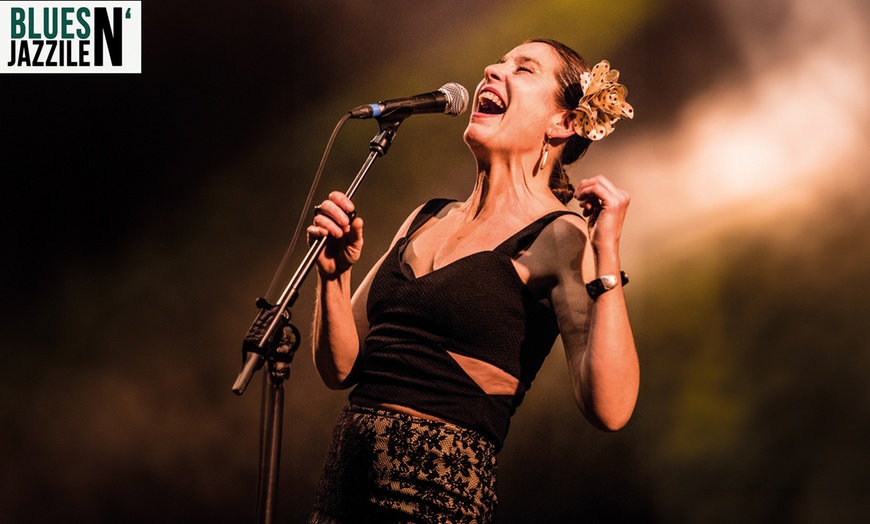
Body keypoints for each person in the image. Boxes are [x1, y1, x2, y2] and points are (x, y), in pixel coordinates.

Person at [306, 38, 639, 523]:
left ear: (563, 123)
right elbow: (340, 370)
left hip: (432, 502)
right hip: (341, 498)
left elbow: (611, 408)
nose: (492, 69)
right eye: (499, 61)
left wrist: (606, 252)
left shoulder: (560, 236)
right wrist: (334, 278)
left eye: (523, 69)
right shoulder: (426, 216)